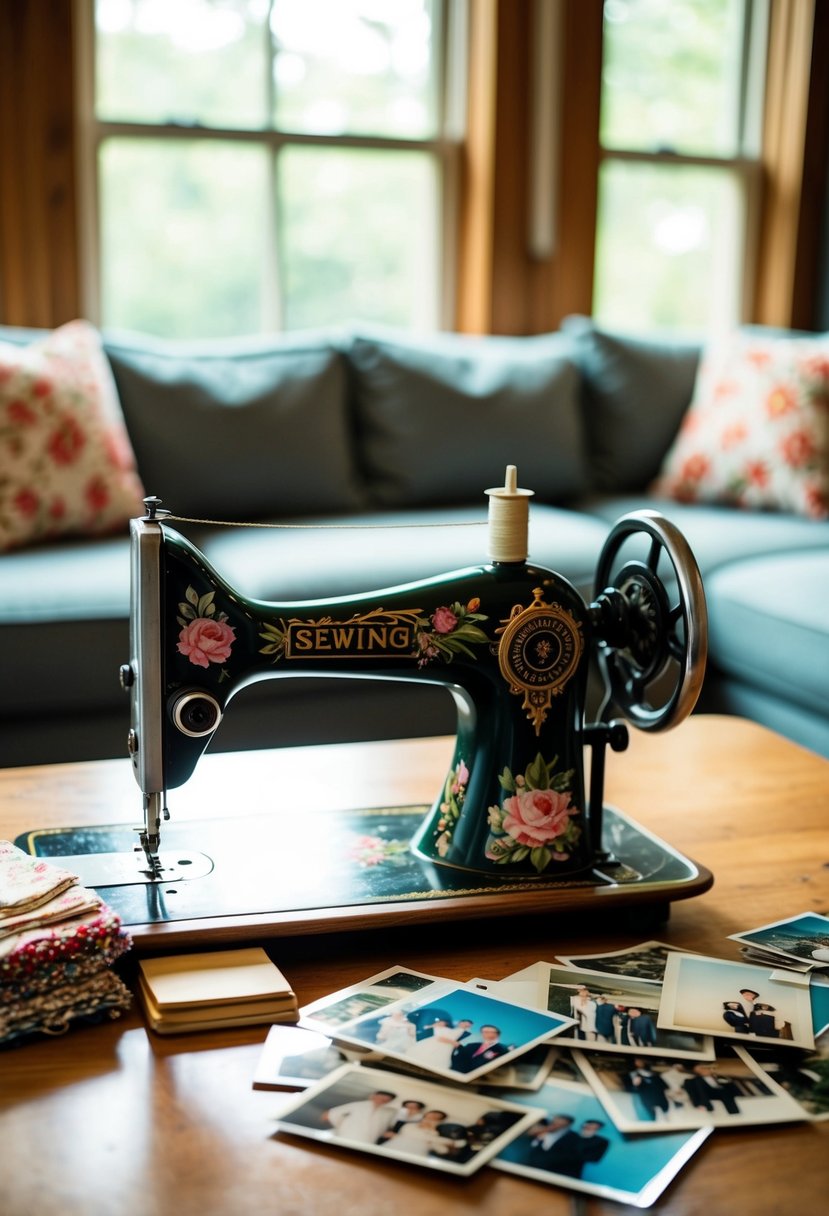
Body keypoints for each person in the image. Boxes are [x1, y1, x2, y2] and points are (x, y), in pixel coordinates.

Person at [525, 1115, 590, 1178]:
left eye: (559, 1121)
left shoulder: (575, 1138)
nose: (555, 1122)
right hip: (533, 1170)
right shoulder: (544, 1131)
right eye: (554, 1121)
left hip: (556, 1174)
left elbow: (570, 1158)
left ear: (567, 1123)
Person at [322, 1089, 398, 1142]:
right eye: (380, 1098)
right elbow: (328, 1114)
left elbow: (387, 1127)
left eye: (385, 1100)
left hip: (368, 1141)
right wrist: (339, 1126)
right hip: (347, 1137)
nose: (381, 1101)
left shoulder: (389, 1112)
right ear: (374, 1096)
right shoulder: (358, 1105)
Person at [407, 1017, 472, 1070]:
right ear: (460, 1022)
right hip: (434, 1043)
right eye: (464, 1023)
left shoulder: (463, 1032)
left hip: (446, 1047)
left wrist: (453, 1043)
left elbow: (456, 1041)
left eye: (467, 1025)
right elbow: (426, 1028)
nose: (465, 1025)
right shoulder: (449, 1028)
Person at [384, 1109, 453, 1158]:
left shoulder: (434, 1133)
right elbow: (413, 1136)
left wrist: (432, 1129)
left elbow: (439, 1148)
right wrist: (448, 1141)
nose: (431, 1118)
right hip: (397, 1147)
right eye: (430, 1116)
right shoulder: (409, 1126)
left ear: (439, 1121)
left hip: (417, 1153)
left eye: (436, 1118)